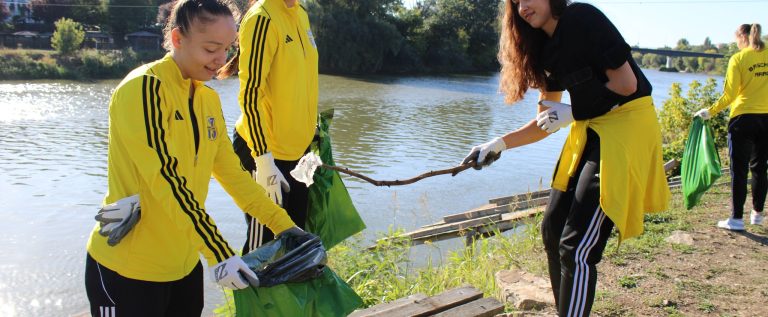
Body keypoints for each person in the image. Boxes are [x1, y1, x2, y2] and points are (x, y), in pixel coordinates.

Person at [84, 1, 301, 315]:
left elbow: (235, 176)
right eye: (211, 48)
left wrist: (286, 227)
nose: (221, 60)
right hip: (129, 269)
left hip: (184, 266)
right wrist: (220, 253)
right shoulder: (144, 89)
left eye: (227, 48)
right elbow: (167, 182)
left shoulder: (206, 99)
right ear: (177, 39)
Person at [462, 0, 670, 315]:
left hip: (627, 130)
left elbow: (627, 86)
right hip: (592, 128)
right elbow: (545, 122)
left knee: (576, 248)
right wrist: (498, 144)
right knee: (553, 230)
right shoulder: (544, 49)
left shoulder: (583, 18)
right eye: (516, 2)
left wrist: (573, 113)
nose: (523, 7)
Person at [218, 0, 318, 253]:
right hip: (265, 153)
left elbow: (299, 81)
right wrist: (263, 160)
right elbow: (250, 94)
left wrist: (312, 135)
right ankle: (249, 291)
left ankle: (290, 293)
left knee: (295, 243)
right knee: (262, 248)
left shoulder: (301, 14)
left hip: (299, 155)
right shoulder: (262, 17)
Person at [694, 24, 767, 231]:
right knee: (761, 168)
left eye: (736, 39)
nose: (736, 43)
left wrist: (709, 111)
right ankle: (757, 215)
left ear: (742, 37)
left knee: (739, 170)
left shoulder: (739, 58)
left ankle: (736, 219)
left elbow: (730, 95)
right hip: (767, 119)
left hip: (743, 120)